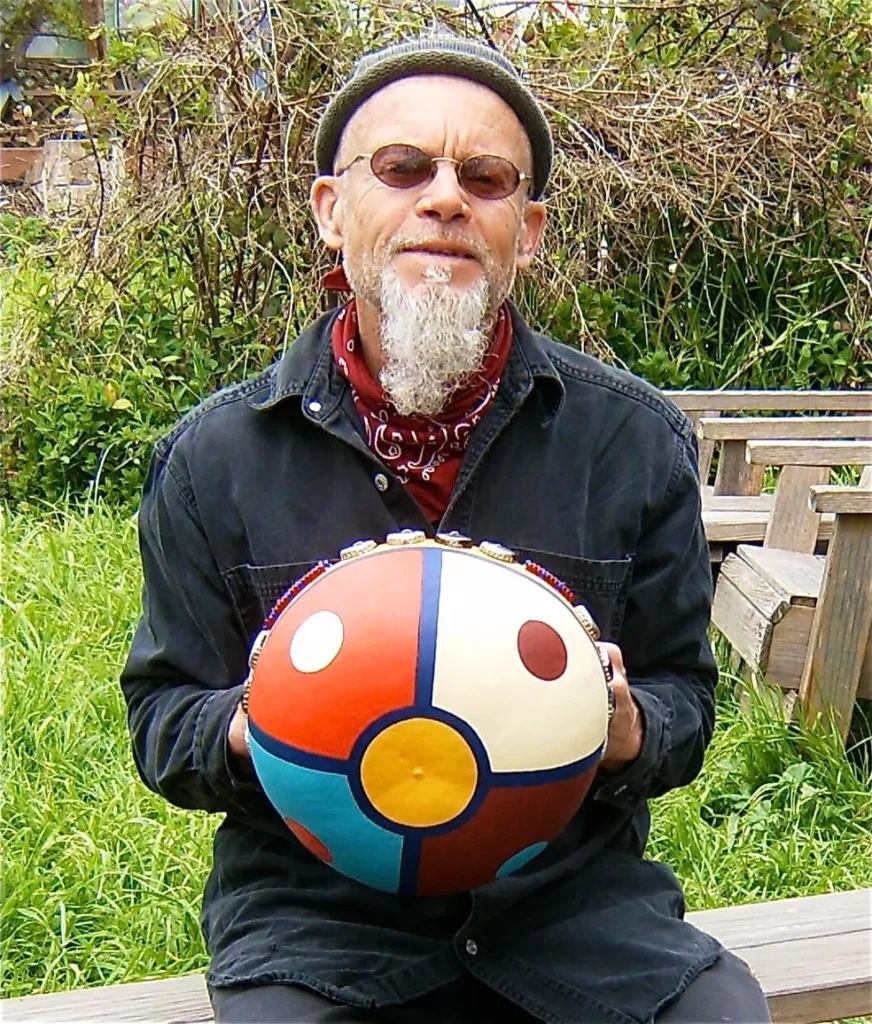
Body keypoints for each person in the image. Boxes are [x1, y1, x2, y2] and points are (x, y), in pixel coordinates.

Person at [120, 33, 771, 1024]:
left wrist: (631, 725)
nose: (443, 198)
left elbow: (684, 694)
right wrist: (255, 723)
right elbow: (163, 719)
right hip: (319, 921)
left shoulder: (631, 441)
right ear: (332, 214)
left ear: (529, 227)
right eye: (400, 168)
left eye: (484, 176)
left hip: (570, 913)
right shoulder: (215, 459)